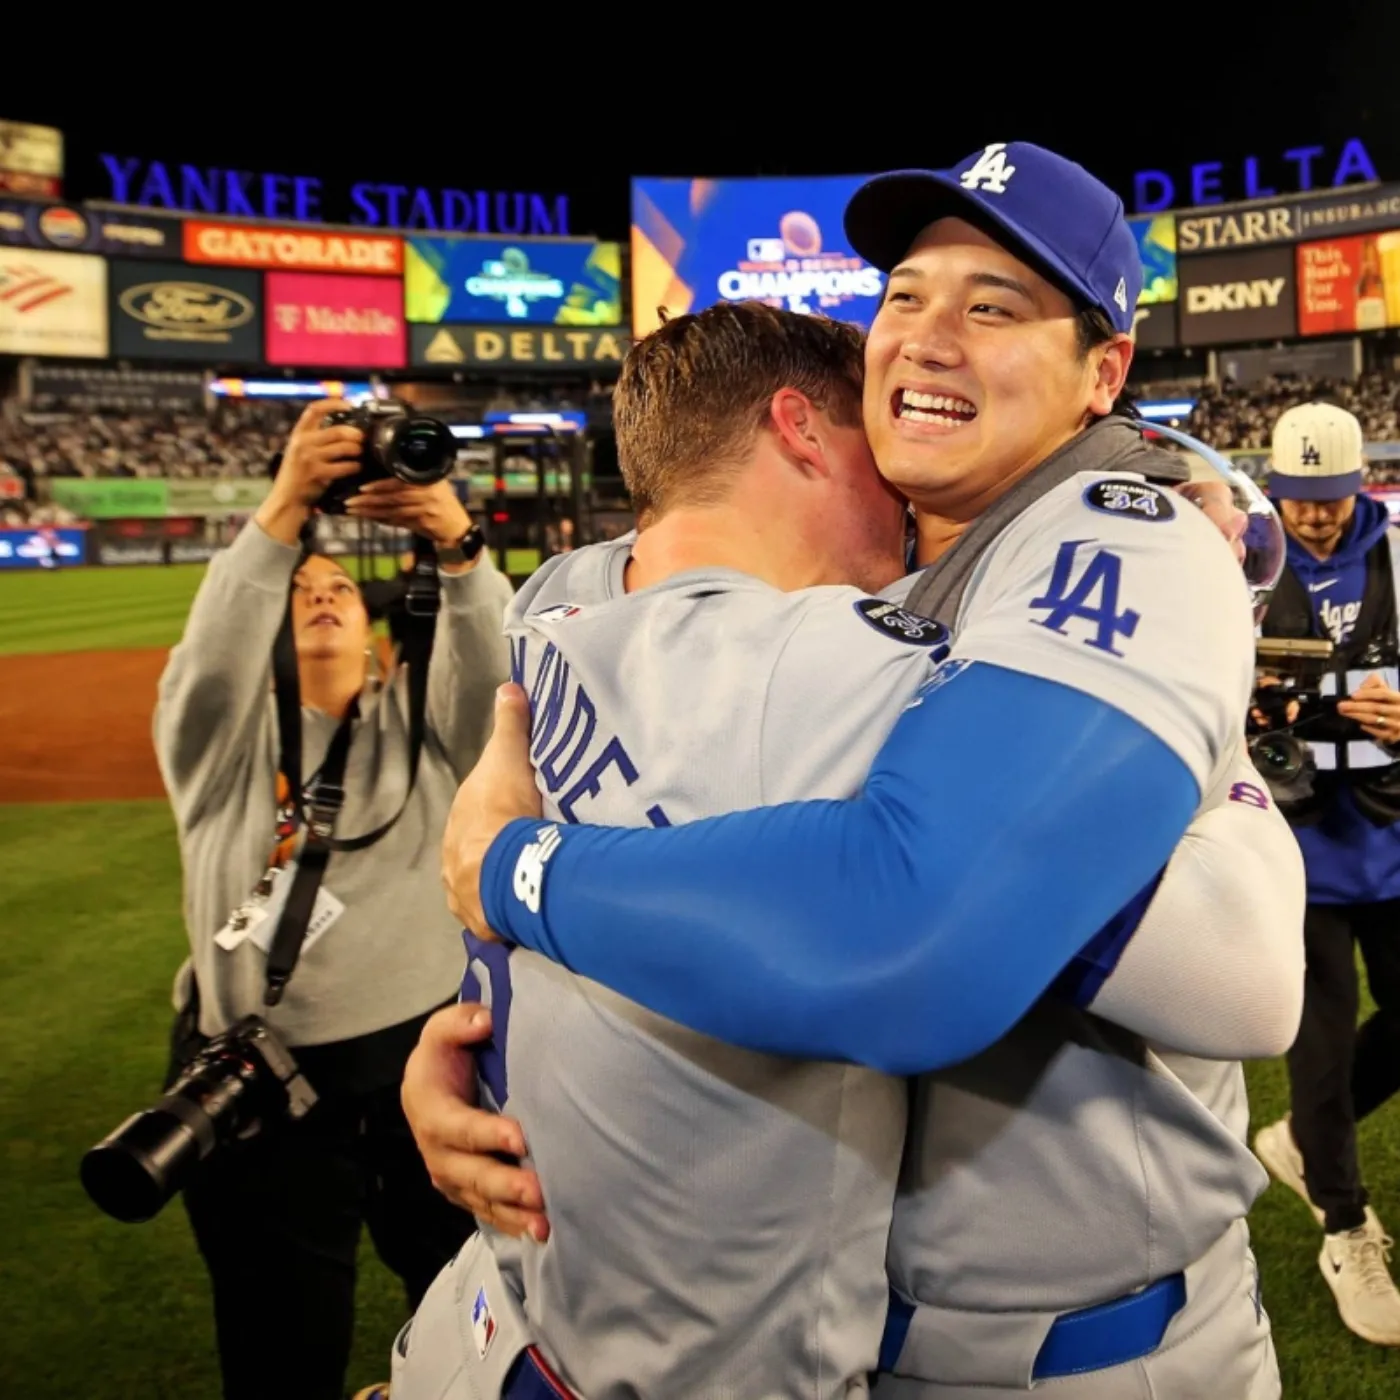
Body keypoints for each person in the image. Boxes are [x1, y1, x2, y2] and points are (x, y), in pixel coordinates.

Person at [429, 145, 1303, 1397]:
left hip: (1082, 1352)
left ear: (1102, 372)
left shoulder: (1120, 538)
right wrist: (465, 1044)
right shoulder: (841, 595)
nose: (928, 334)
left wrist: (513, 869)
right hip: (830, 1338)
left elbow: (1239, 975)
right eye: (904, 294)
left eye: (992, 305)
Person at [152, 398, 514, 1400]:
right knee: (278, 1341)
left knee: (464, 1315)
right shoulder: (221, 754)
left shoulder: (422, 733)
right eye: (297, 589)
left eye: (339, 591)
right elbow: (208, 665)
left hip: (421, 1069)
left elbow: (493, 691)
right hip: (255, 1086)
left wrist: (456, 541)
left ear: (380, 638)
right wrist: (283, 507)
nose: (318, 595)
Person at [1250, 402, 1400, 1346]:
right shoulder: (1239, 566)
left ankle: (1307, 1142)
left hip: (1389, 832)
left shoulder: (1398, 555)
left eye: (1330, 499)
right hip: (1294, 843)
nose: (1313, 517)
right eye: (1297, 500)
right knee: (1319, 1042)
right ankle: (1344, 1224)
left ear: (1359, 484)